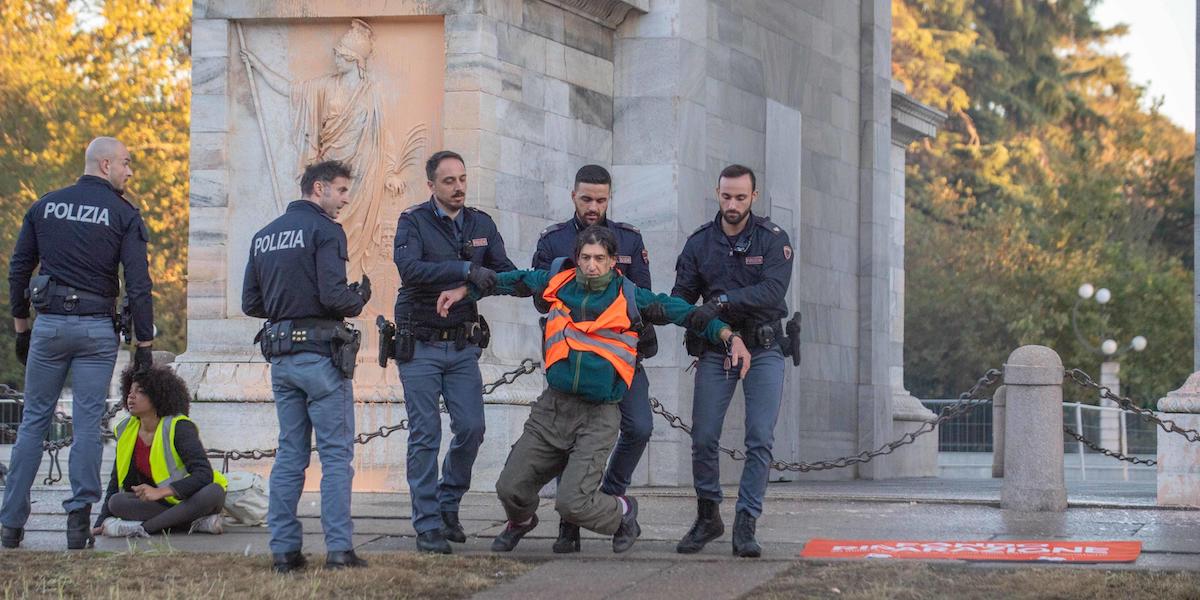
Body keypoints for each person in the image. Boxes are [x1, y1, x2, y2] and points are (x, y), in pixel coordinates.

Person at [437, 225, 752, 554]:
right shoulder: (556, 283)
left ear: (613, 261)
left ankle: (623, 512)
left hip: (598, 415)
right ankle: (521, 520)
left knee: (571, 503)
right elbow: (509, 280)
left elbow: (684, 312)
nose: (592, 265)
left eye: (600, 258)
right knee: (508, 488)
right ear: (576, 259)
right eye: (585, 258)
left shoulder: (630, 297)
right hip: (553, 409)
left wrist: (729, 336)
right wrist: (466, 293)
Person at [1, 137, 155, 551]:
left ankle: (11, 526)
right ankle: (76, 524)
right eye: (125, 162)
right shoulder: (123, 214)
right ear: (104, 164)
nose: (130, 171)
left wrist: (21, 328)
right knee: (88, 425)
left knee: (32, 421)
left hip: (48, 326)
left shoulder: (45, 205)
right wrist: (144, 342)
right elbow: (138, 285)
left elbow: (19, 269)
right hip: (95, 331)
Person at [242, 160, 371, 572]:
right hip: (321, 358)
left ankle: (283, 550)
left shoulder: (264, 236)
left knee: (289, 455)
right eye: (341, 190)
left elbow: (251, 303)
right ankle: (339, 550)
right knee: (335, 456)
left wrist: (287, 304)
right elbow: (335, 297)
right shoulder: (325, 230)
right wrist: (359, 297)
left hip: (282, 359)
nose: (345, 199)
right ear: (319, 189)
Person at [392, 150, 518, 554]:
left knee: (472, 428)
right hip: (421, 345)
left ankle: (448, 504)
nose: (459, 187)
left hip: (462, 346)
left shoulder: (480, 223)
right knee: (426, 434)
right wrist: (465, 269)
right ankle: (427, 525)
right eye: (449, 181)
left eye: (463, 178)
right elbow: (410, 270)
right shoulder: (412, 222)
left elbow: (507, 275)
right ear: (431, 186)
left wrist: (469, 287)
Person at [531, 164, 655, 553]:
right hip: (572, 356)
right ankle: (570, 524)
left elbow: (644, 296)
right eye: (586, 198)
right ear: (573, 196)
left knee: (639, 427)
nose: (593, 206)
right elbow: (539, 297)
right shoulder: (553, 243)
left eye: (601, 199)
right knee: (569, 438)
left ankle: (610, 495)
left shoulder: (629, 241)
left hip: (618, 358)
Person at [671, 164, 793, 558]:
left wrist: (722, 301)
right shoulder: (699, 244)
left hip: (765, 346)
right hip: (716, 350)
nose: (733, 204)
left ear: (753, 197)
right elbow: (681, 301)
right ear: (717, 193)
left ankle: (746, 522)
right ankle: (708, 515)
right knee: (703, 436)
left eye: (741, 197)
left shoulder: (773, 239)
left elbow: (773, 292)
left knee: (759, 437)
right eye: (726, 196)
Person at [92, 365, 227, 538]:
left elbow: (204, 474)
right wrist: (102, 521)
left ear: (157, 396)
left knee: (214, 492)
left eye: (139, 391)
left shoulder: (179, 426)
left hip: (191, 499)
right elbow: (115, 481)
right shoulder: (127, 429)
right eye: (130, 391)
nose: (130, 396)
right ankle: (192, 522)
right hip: (160, 506)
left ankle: (143, 529)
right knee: (117, 502)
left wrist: (161, 492)